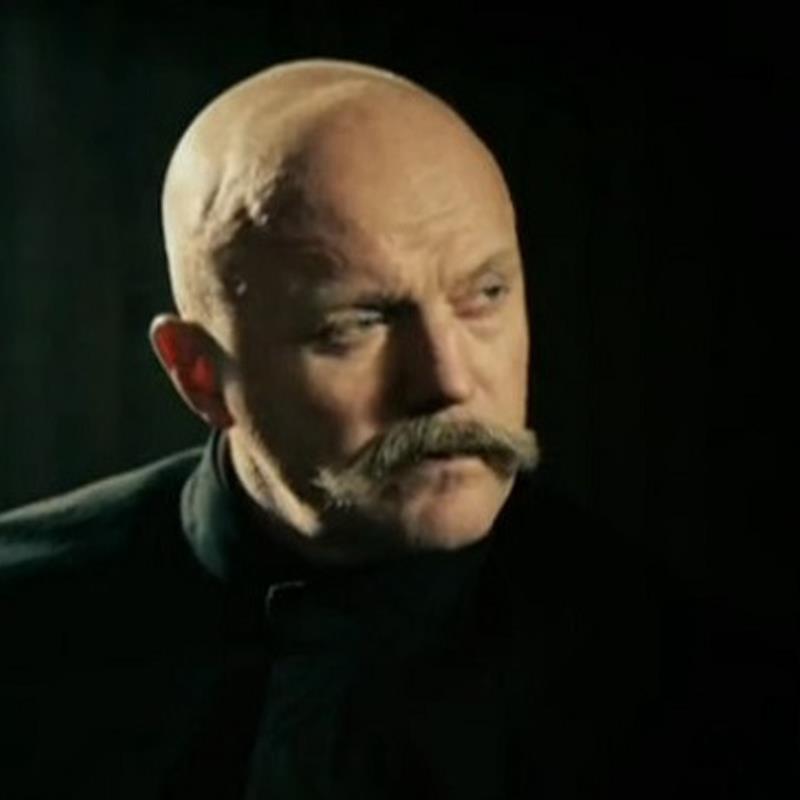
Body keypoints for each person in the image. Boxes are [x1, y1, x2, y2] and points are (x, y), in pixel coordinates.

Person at [0, 59, 795, 799]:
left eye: (484, 295)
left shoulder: (688, 696)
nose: (448, 382)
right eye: (357, 324)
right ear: (199, 373)